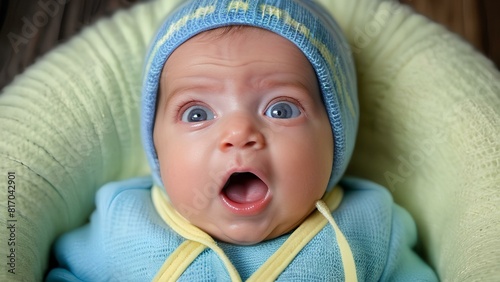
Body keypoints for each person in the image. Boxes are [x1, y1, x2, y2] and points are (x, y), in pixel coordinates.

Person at [47, 0, 438, 281]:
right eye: (197, 114)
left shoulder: (371, 225)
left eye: (281, 109)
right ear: (156, 145)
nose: (239, 134)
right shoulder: (125, 223)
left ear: (337, 135)